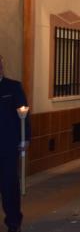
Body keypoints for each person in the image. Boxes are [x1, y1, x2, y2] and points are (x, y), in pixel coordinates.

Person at [0, 55, 30, 232]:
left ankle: (13, 221)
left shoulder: (13, 87)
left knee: (9, 186)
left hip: (7, 146)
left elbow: (24, 114)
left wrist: (25, 138)